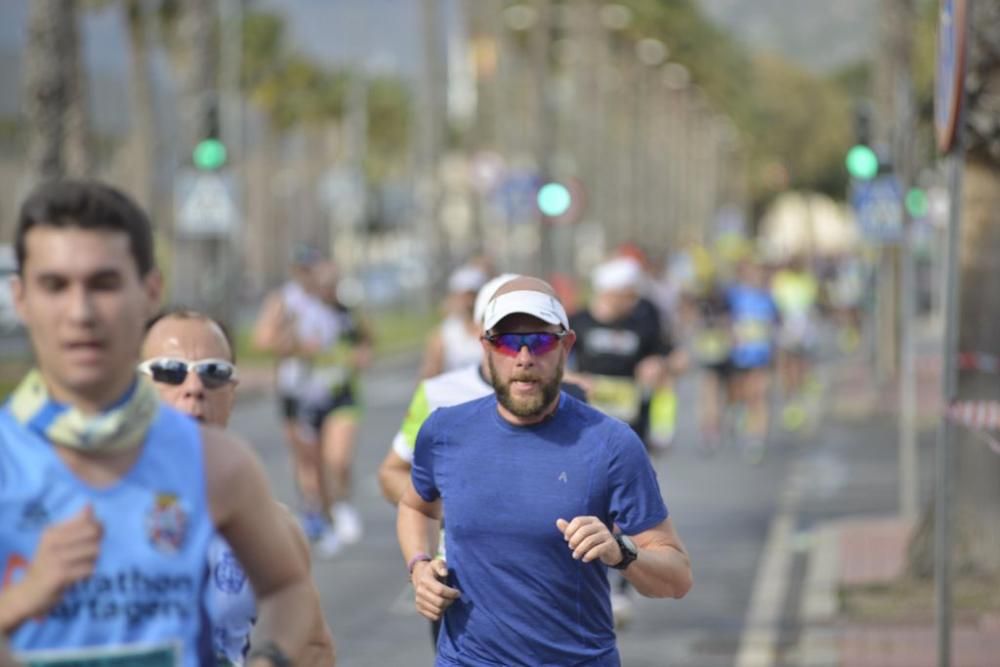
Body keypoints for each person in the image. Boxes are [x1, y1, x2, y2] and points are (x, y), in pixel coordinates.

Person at [0, 180, 316, 667]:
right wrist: (24, 600)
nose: (80, 312)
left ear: (149, 291)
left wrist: (269, 659)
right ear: (21, 298)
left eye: (104, 284)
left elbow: (288, 588)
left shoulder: (216, 462)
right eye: (55, 285)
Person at [397, 276, 692, 666]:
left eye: (539, 340)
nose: (523, 357)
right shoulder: (444, 431)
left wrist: (621, 552)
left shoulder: (610, 443)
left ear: (566, 345)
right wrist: (419, 567)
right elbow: (416, 506)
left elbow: (677, 576)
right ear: (485, 347)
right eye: (505, 341)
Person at [141, 308, 336, 666]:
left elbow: (315, 648)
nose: (194, 388)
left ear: (231, 393)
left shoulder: (272, 528)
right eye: (169, 371)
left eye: (214, 373)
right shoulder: (77, 510)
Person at [251, 245, 331, 540]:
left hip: (327, 387)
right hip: (294, 385)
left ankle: (324, 506)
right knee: (304, 453)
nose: (309, 276)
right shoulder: (284, 300)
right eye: (303, 270)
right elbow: (263, 339)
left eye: (313, 269)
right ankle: (312, 509)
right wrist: (295, 345)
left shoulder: (327, 297)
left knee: (326, 455)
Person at [298, 260, 373, 557]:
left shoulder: (347, 315)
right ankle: (322, 518)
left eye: (332, 283)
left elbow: (367, 341)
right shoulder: (302, 313)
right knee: (312, 466)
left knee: (337, 459)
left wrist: (362, 354)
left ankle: (342, 504)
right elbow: (276, 343)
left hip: (343, 395)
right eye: (323, 283)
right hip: (308, 397)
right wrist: (302, 347)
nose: (327, 289)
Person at [418, 264, 488, 379]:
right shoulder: (443, 334)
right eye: (462, 296)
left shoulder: (494, 329)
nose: (467, 302)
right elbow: (429, 375)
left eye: (471, 295)